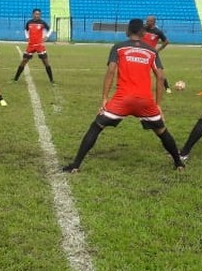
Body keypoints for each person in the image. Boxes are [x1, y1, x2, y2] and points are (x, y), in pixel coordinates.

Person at [61, 18, 184, 173]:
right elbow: (160, 77)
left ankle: (76, 165)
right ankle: (178, 163)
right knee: (162, 131)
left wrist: (105, 98)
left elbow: (111, 72)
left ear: (127, 32)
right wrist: (158, 105)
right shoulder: (151, 51)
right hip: (145, 101)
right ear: (143, 33)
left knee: (96, 126)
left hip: (122, 99)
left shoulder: (118, 48)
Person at [12, 8, 54, 84]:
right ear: (33, 14)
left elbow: (50, 29)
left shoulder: (42, 23)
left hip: (39, 45)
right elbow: (26, 30)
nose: (37, 15)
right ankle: (15, 79)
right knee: (23, 61)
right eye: (36, 14)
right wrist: (27, 37)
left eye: (38, 14)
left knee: (46, 62)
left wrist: (47, 36)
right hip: (31, 45)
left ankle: (51, 80)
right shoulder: (29, 22)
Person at [142, 15, 172, 93]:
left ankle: (167, 87)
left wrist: (158, 50)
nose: (147, 22)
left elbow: (166, 41)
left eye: (149, 21)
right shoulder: (143, 29)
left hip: (152, 54)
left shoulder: (158, 32)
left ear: (153, 22)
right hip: (142, 53)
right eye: (146, 20)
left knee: (158, 72)